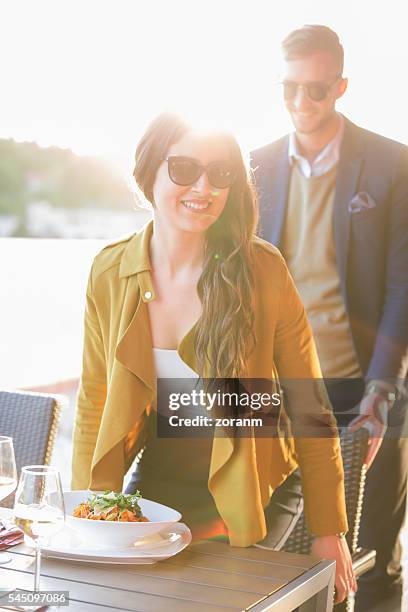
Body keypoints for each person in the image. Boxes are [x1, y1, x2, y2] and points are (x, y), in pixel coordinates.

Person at [72, 111, 356, 602]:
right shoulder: (109, 271)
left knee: (212, 599)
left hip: (256, 482)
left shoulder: (262, 269)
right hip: (159, 476)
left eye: (221, 174)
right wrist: (84, 510)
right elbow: (95, 399)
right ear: (149, 175)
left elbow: (309, 405)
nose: (203, 187)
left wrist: (330, 528)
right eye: (183, 168)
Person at [251, 25, 408, 610]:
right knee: (280, 560)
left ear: (341, 86)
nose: (301, 103)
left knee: (371, 561)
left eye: (315, 89)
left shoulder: (393, 165)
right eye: (289, 88)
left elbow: (402, 287)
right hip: (280, 393)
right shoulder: (256, 164)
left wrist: (381, 393)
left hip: (367, 387)